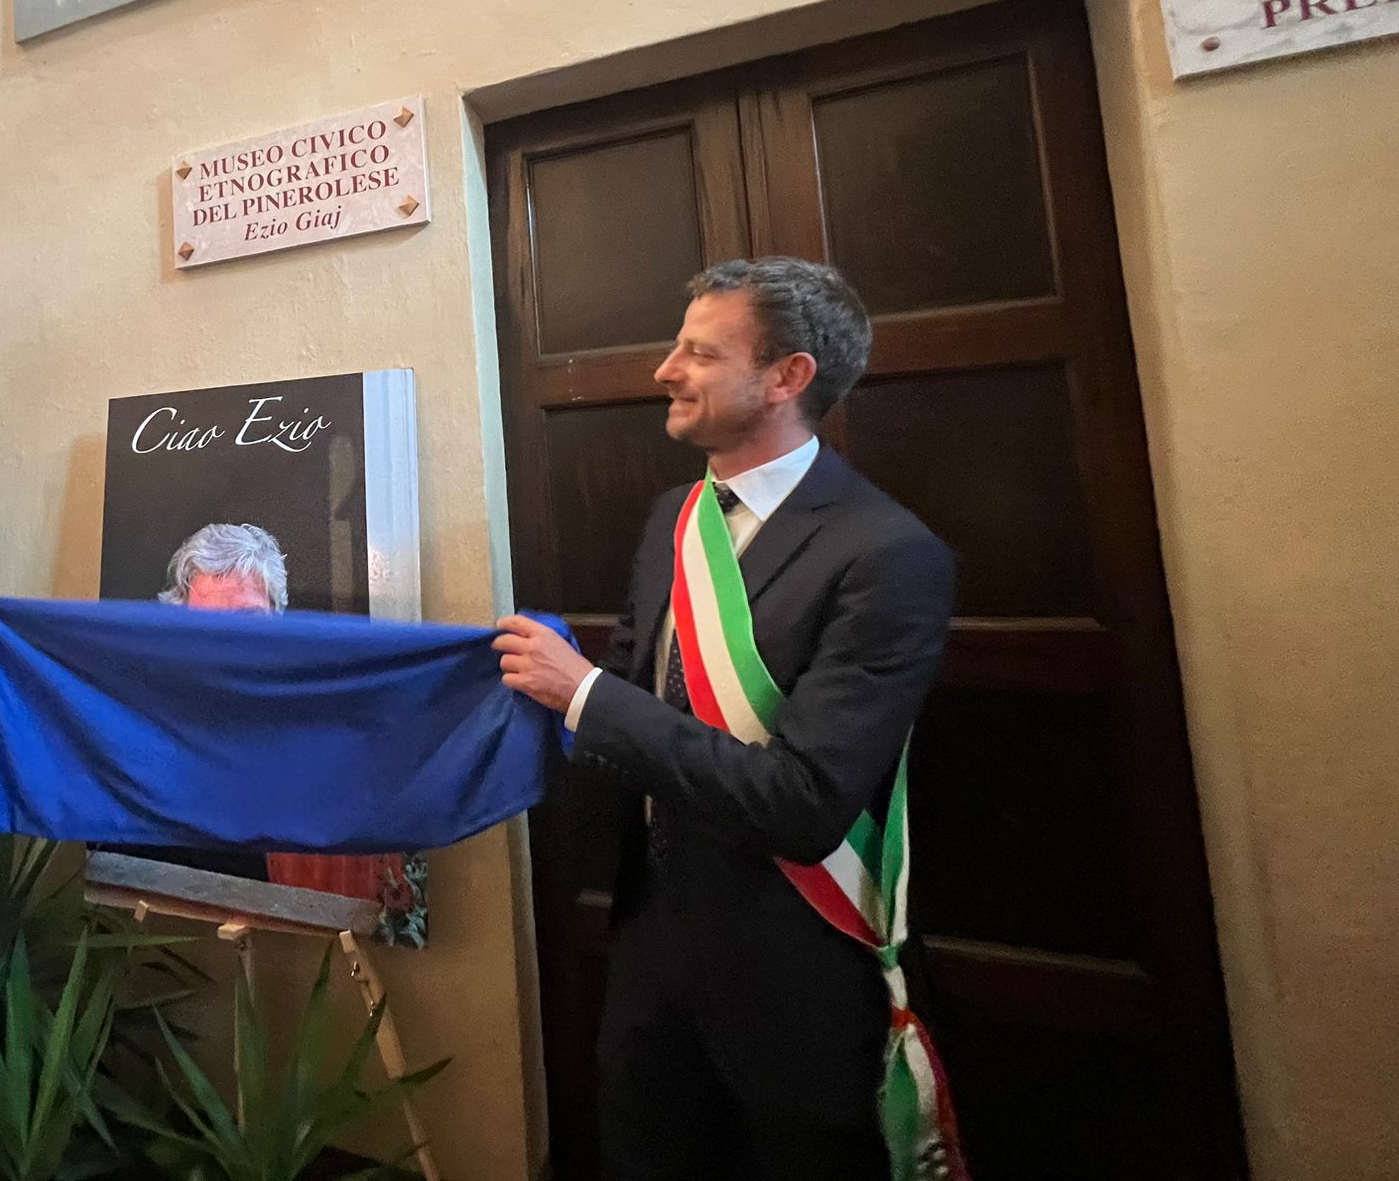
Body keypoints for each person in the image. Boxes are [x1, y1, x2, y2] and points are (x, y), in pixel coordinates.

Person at [495, 258, 959, 1181]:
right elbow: (633, 711)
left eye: (701, 354)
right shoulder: (675, 516)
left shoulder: (888, 554)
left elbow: (803, 801)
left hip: (796, 964)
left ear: (788, 377)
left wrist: (583, 693)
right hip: (650, 944)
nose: (665, 371)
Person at [132, 524, 411, 906]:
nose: (230, 641)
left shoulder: (329, 721)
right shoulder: (140, 732)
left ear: (278, 620)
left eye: (248, 620)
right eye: (208, 626)